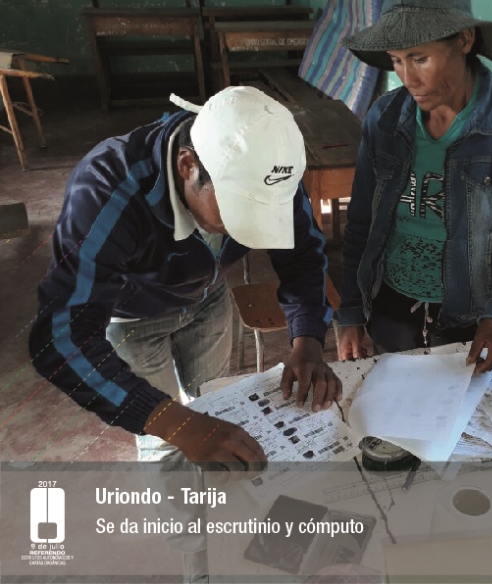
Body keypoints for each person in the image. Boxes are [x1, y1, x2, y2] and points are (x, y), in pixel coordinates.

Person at [28, 86, 342, 583]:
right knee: (169, 442)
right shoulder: (107, 190)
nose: (240, 231)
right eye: (238, 211)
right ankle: (194, 560)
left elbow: (303, 257)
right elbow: (60, 337)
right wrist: (175, 424)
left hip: (207, 298)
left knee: (217, 416)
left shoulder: (271, 167)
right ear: (188, 166)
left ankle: (227, 536)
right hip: (130, 319)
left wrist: (307, 341)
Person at [336, 0, 492, 373]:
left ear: (465, 40)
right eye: (397, 61)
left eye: (419, 59)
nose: (408, 78)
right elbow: (361, 224)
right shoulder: (384, 118)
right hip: (391, 312)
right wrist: (352, 311)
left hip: (475, 319)